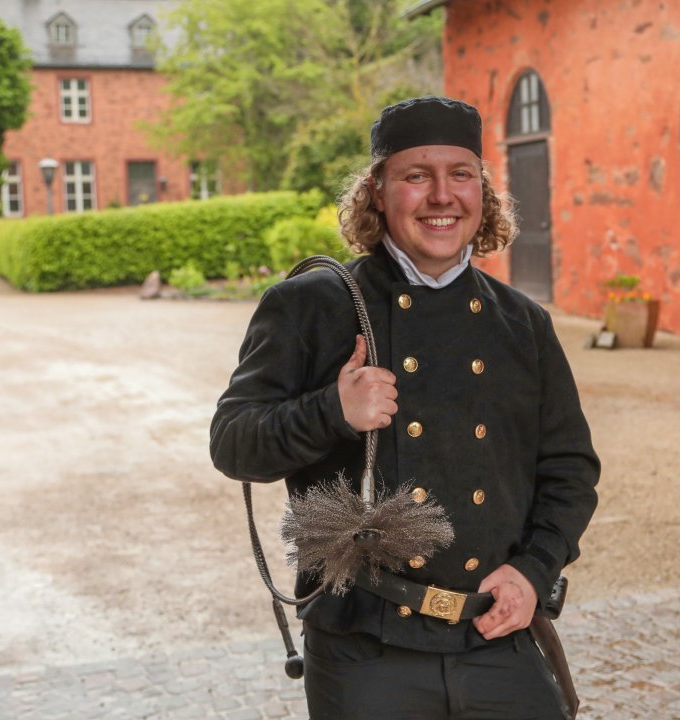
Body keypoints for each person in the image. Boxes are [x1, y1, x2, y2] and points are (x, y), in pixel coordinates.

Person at [210, 96, 600, 719]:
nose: (442, 196)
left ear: (482, 190)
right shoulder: (313, 303)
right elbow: (232, 442)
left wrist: (532, 571)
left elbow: (570, 471)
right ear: (378, 192)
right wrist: (330, 410)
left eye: (461, 174)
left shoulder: (522, 323)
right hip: (365, 652)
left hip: (494, 635)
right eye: (417, 176)